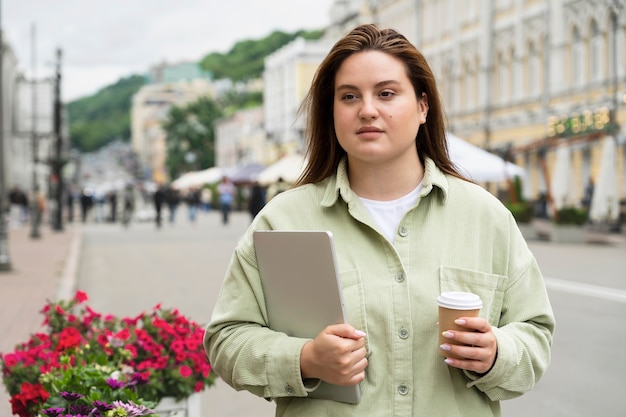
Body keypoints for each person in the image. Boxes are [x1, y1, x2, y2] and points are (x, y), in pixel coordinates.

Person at [204, 24, 555, 417]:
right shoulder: (282, 220)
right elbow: (226, 339)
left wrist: (496, 354)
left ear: (423, 106)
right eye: (349, 96)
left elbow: (535, 334)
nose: (367, 109)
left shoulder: (486, 218)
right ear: (331, 112)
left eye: (386, 93)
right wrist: (303, 358)